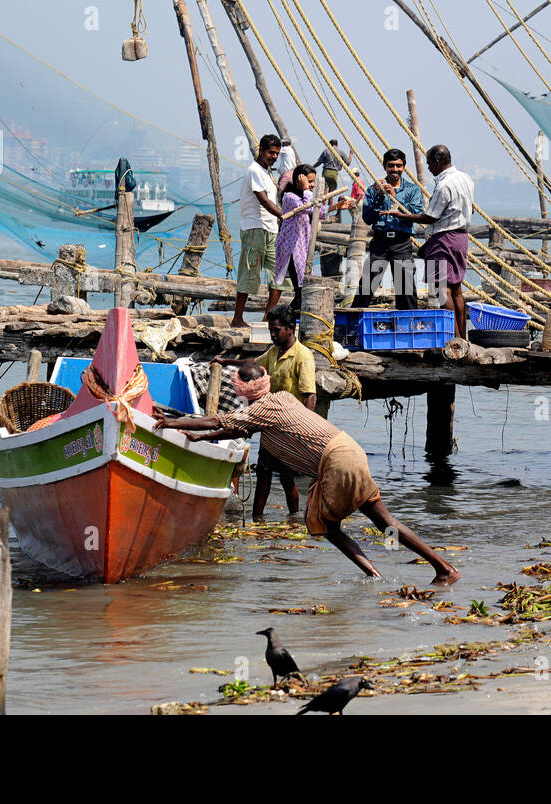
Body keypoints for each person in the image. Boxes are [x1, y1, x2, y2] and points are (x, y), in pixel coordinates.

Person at [156, 363, 460, 585]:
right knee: (384, 521)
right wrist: (200, 437)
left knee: (328, 526)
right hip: (348, 448)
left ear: (242, 391)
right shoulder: (283, 398)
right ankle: (441, 568)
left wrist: (172, 424)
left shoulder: (261, 409)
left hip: (334, 462)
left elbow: (219, 419)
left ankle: (377, 575)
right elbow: (233, 426)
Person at [215, 305, 317, 519]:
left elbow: (310, 396)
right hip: (271, 422)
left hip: (291, 426)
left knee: (287, 477)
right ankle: (257, 519)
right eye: (270, 330)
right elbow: (254, 363)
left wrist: (303, 433)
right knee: (263, 472)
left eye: (276, 330)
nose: (272, 335)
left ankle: (294, 519)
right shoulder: (274, 352)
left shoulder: (302, 356)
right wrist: (228, 362)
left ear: (290, 329)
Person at [386, 144, 474, 339]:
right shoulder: (465, 178)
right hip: (461, 238)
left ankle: (456, 339)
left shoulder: (444, 185)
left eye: (429, 164)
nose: (428, 168)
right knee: (457, 289)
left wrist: (401, 215)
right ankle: (463, 337)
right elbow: (471, 209)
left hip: (444, 240)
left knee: (443, 290)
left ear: (437, 162)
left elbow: (430, 217)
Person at [355, 148, 422, 310]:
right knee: (368, 283)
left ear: (404, 167)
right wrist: (379, 196)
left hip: (401, 242)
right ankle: (351, 324)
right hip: (380, 241)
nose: (395, 170)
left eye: (399, 166)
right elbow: (368, 217)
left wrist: (395, 198)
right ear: (385, 166)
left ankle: (409, 325)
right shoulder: (373, 190)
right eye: (391, 166)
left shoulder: (412, 190)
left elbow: (416, 214)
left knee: (405, 287)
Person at [232, 135, 285, 328]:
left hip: (271, 230)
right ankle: (237, 319)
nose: (274, 157)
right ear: (261, 149)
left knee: (278, 276)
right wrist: (284, 215)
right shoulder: (254, 171)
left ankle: (266, 321)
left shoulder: (268, 173)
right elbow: (263, 200)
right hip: (255, 228)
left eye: (277, 154)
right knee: (249, 274)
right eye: (271, 152)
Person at [274, 163, 319, 312]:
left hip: (302, 250)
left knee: (303, 290)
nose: (311, 185)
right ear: (299, 180)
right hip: (292, 250)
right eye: (309, 181)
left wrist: (338, 206)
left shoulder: (304, 198)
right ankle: (283, 318)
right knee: (301, 291)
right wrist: (306, 189)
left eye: (313, 182)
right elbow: (309, 208)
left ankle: (289, 320)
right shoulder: (290, 197)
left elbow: (317, 211)